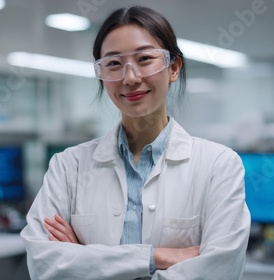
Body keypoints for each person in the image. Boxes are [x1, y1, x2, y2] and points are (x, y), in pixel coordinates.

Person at [21, 5, 251, 280]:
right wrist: (157, 257)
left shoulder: (218, 165)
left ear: (173, 67)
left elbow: (219, 272)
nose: (130, 78)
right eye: (114, 64)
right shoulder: (69, 166)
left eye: (144, 59)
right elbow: (43, 265)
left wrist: (86, 260)